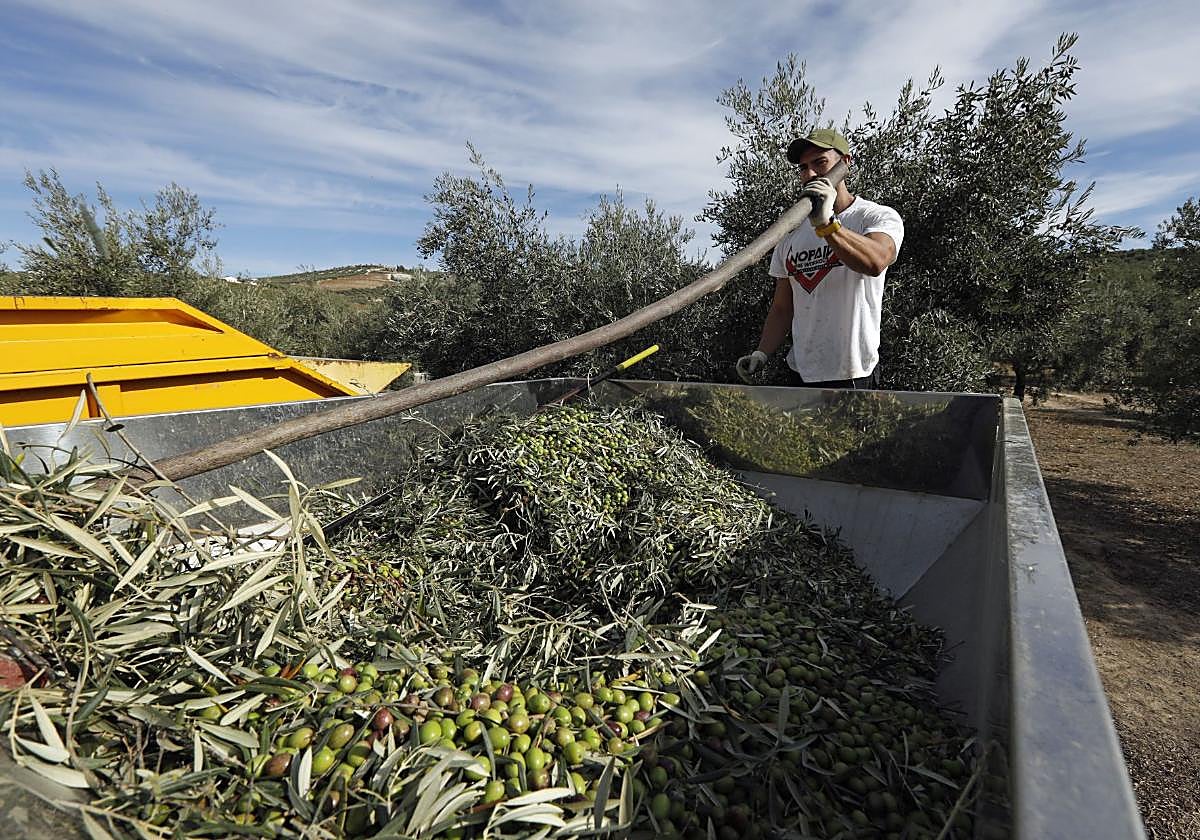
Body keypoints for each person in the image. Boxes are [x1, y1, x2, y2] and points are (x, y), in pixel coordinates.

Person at [736, 128, 904, 389]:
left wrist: (828, 226)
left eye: (820, 162)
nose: (810, 174)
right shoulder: (791, 235)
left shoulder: (875, 217)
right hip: (801, 372)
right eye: (803, 167)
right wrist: (761, 353)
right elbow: (783, 307)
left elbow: (876, 261)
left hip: (853, 373)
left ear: (845, 162)